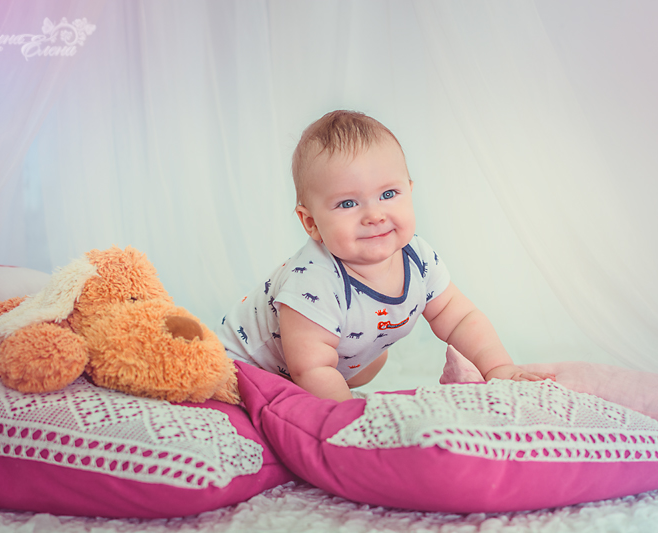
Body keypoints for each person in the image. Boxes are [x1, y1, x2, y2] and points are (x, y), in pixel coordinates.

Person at [217, 110, 552, 401]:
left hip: (329, 360)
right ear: (311, 223)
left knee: (374, 361)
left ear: (410, 191)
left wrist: (498, 367)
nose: (374, 215)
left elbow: (460, 317)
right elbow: (311, 368)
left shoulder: (417, 258)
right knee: (292, 391)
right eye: (348, 203)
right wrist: (348, 419)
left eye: (389, 194)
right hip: (249, 369)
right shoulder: (314, 281)